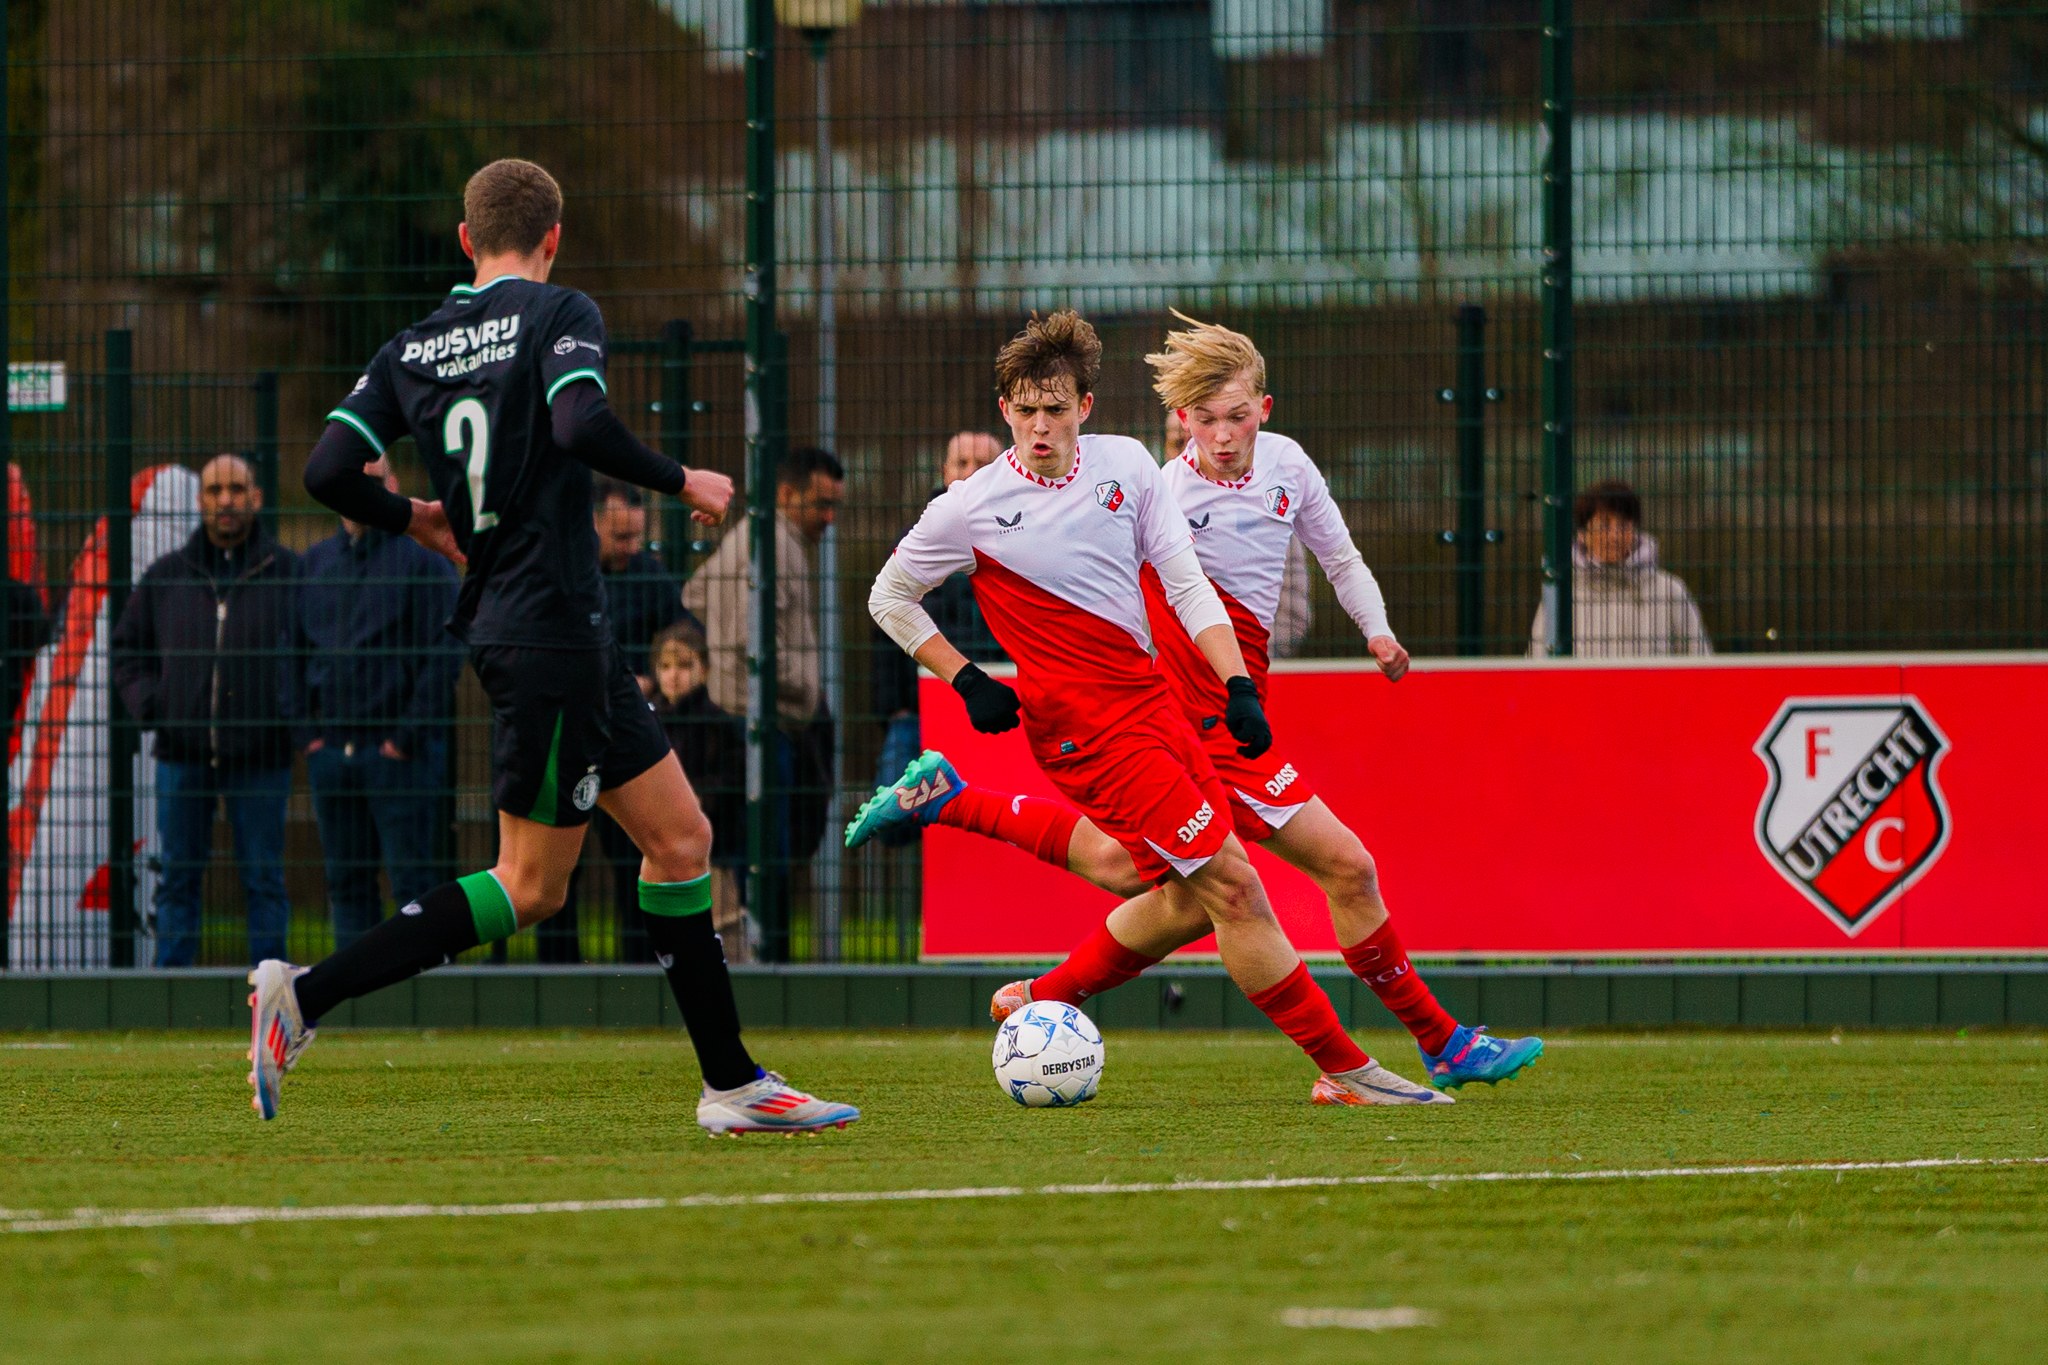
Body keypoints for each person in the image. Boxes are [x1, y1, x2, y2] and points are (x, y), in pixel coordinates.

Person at [251, 157, 855, 1134]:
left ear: (463, 241)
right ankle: (304, 996)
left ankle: (733, 1083)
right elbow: (578, 420)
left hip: (540, 631)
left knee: (680, 840)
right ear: (552, 238)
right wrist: (681, 478)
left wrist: (414, 516)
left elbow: (327, 468)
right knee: (530, 885)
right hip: (547, 635)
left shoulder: (416, 345)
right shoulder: (555, 310)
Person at [852, 314, 1542, 1094]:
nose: (1040, 425)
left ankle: (1011, 925)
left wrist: (1254, 680)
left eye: (1056, 407)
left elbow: (1199, 582)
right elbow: (890, 594)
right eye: (1023, 408)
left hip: (1165, 711)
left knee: (1165, 886)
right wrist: (966, 676)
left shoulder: (1138, 468)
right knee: (1250, 885)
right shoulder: (976, 505)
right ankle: (1374, 1060)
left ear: (1087, 405)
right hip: (1126, 726)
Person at [111, 454, 298, 968]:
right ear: (200, 502)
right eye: (215, 491)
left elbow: (314, 654)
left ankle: (273, 997)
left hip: (262, 756)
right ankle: (173, 998)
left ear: (256, 498)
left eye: (236, 489)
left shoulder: (288, 573)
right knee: (178, 880)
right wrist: (155, 706)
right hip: (182, 753)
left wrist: (290, 715)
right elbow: (127, 652)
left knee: (264, 880)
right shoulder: (166, 576)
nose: (226, 500)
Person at [287, 455, 463, 952]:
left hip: (398, 756)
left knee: (413, 884)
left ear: (393, 485)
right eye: (352, 483)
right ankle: (355, 1002)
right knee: (346, 885)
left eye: (371, 482)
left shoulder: (425, 562)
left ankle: (418, 993)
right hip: (332, 754)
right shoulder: (314, 565)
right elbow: (290, 654)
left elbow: (445, 654)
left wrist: (404, 739)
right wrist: (310, 737)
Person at [547, 476, 696, 964]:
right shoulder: (562, 575)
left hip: (623, 736)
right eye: (621, 538)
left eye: (636, 536)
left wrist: (653, 676)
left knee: (637, 854)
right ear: (591, 525)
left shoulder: (650, 578)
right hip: (565, 733)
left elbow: (681, 638)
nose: (631, 548)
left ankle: (637, 965)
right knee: (551, 861)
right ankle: (556, 967)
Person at [682, 445, 844, 896]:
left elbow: (695, 595)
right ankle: (763, 959)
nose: (830, 517)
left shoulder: (766, 538)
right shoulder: (769, 544)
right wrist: (806, 685)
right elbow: (750, 641)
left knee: (763, 856)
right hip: (755, 724)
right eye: (822, 504)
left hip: (757, 719)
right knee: (766, 862)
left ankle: (758, 953)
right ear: (788, 495)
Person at [868, 431, 1006, 815]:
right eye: (962, 463)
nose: (970, 472)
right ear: (945, 471)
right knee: (898, 819)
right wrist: (894, 708)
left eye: (981, 464)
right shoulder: (915, 542)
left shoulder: (1020, 537)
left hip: (1001, 699)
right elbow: (883, 627)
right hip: (919, 708)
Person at [1168, 408, 1310, 658]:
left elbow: (1292, 611)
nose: (1189, 448)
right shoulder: (1153, 514)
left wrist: (1242, 667)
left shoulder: (1270, 511)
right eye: (1179, 441)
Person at [649, 621, 751, 960]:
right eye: (665, 667)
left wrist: (694, 799)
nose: (673, 675)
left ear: (704, 670)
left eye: (684, 665)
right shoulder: (650, 726)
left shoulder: (719, 725)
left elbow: (732, 782)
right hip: (659, 850)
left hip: (715, 851)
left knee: (722, 927)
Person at [1529, 478, 1712, 657]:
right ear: (1583, 534)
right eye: (1604, 525)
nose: (1615, 536)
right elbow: (1538, 663)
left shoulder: (1669, 590)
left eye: (1624, 524)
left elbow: (1700, 660)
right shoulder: (1562, 595)